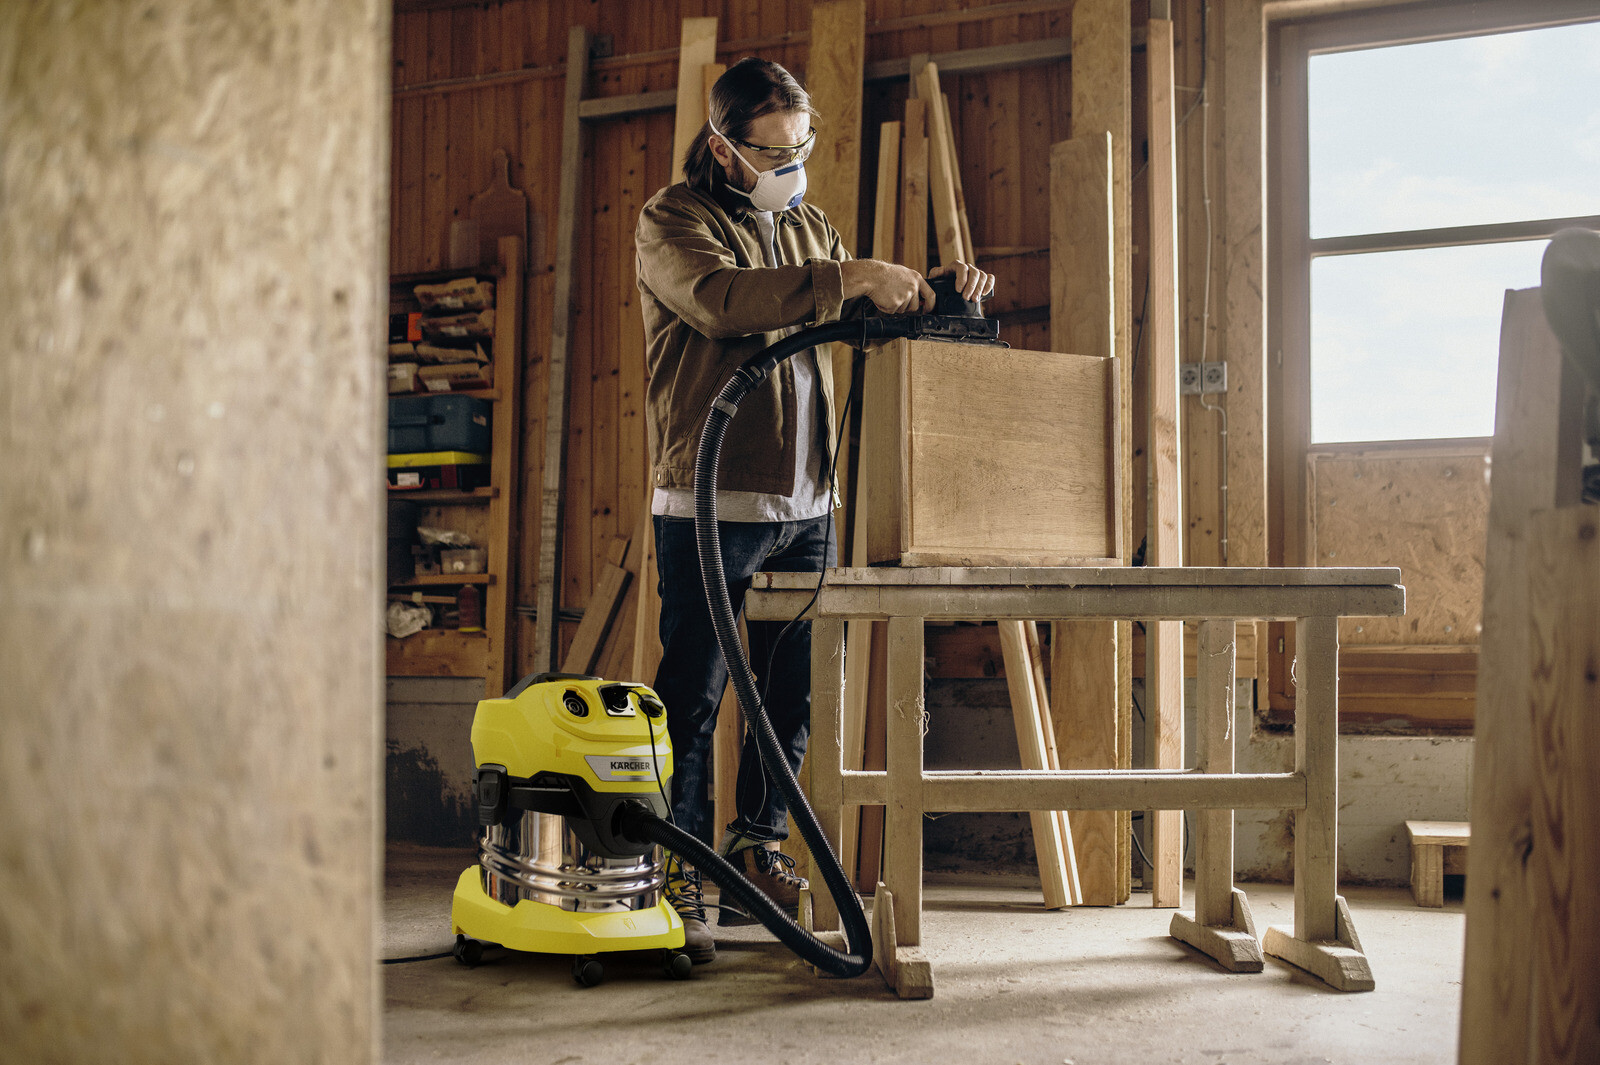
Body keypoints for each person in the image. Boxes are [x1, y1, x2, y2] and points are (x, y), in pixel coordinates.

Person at [633, 56, 994, 965]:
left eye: (801, 148)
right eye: (773, 151)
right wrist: (852, 275)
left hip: (806, 502)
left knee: (790, 695)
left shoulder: (809, 226)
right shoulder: (675, 220)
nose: (791, 166)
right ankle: (682, 870)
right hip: (714, 497)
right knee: (696, 693)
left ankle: (754, 847)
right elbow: (721, 304)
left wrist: (933, 292)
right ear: (723, 146)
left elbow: (847, 317)